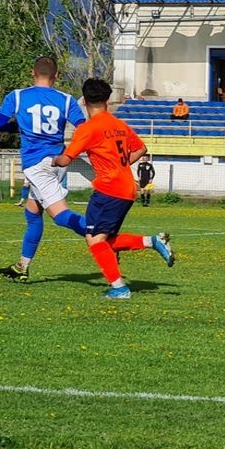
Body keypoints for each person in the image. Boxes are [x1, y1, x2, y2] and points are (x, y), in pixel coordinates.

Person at [52, 78, 174, 299]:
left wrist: (52, 160)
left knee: (94, 240)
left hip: (108, 190)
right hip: (126, 188)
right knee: (106, 240)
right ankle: (152, 241)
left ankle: (119, 288)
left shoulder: (88, 129)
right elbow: (141, 148)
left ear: (84, 101)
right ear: (108, 100)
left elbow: (66, 159)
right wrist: (120, 165)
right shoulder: (119, 125)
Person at [0, 55, 88, 283]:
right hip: (55, 161)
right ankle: (22, 266)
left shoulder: (17, 96)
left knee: (61, 216)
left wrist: (20, 128)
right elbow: (83, 128)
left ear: (32, 73)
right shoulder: (66, 100)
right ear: (56, 76)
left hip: (37, 164)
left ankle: (106, 237)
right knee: (32, 212)